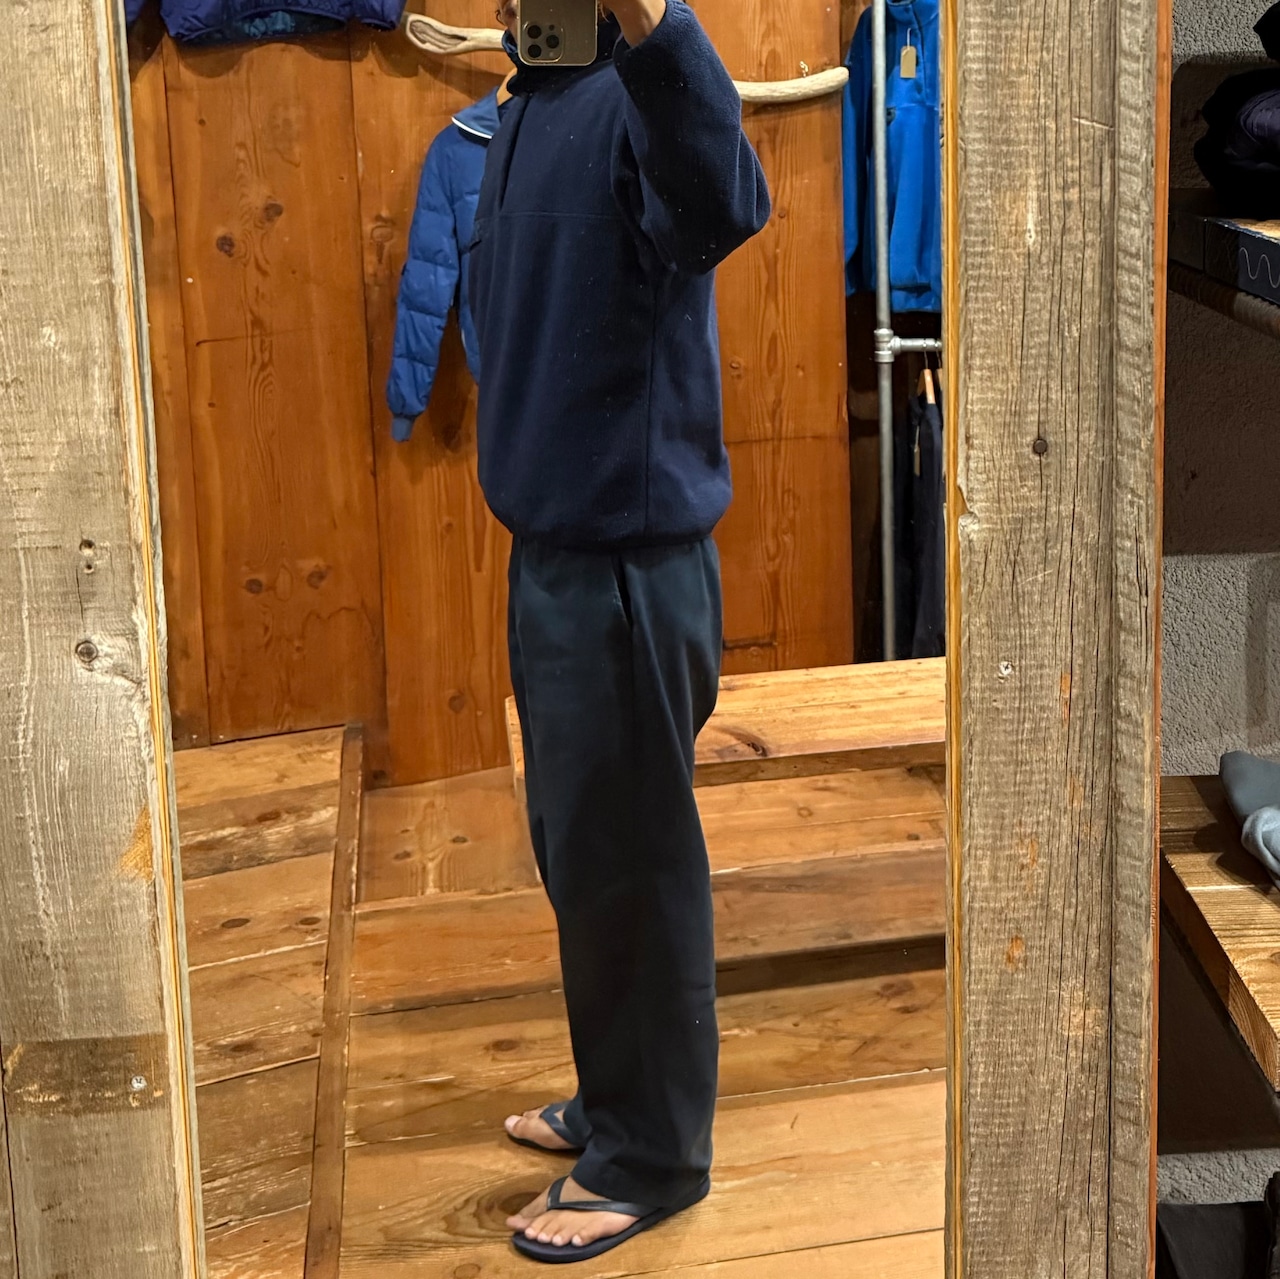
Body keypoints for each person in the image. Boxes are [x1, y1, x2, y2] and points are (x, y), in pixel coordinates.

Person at [467, 0, 770, 1263]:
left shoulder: (640, 92)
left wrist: (649, 21)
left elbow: (722, 206)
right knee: (581, 853)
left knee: (632, 867)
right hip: (552, 549)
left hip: (627, 566)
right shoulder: (530, 103)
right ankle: (616, 1095)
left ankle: (650, 1154)